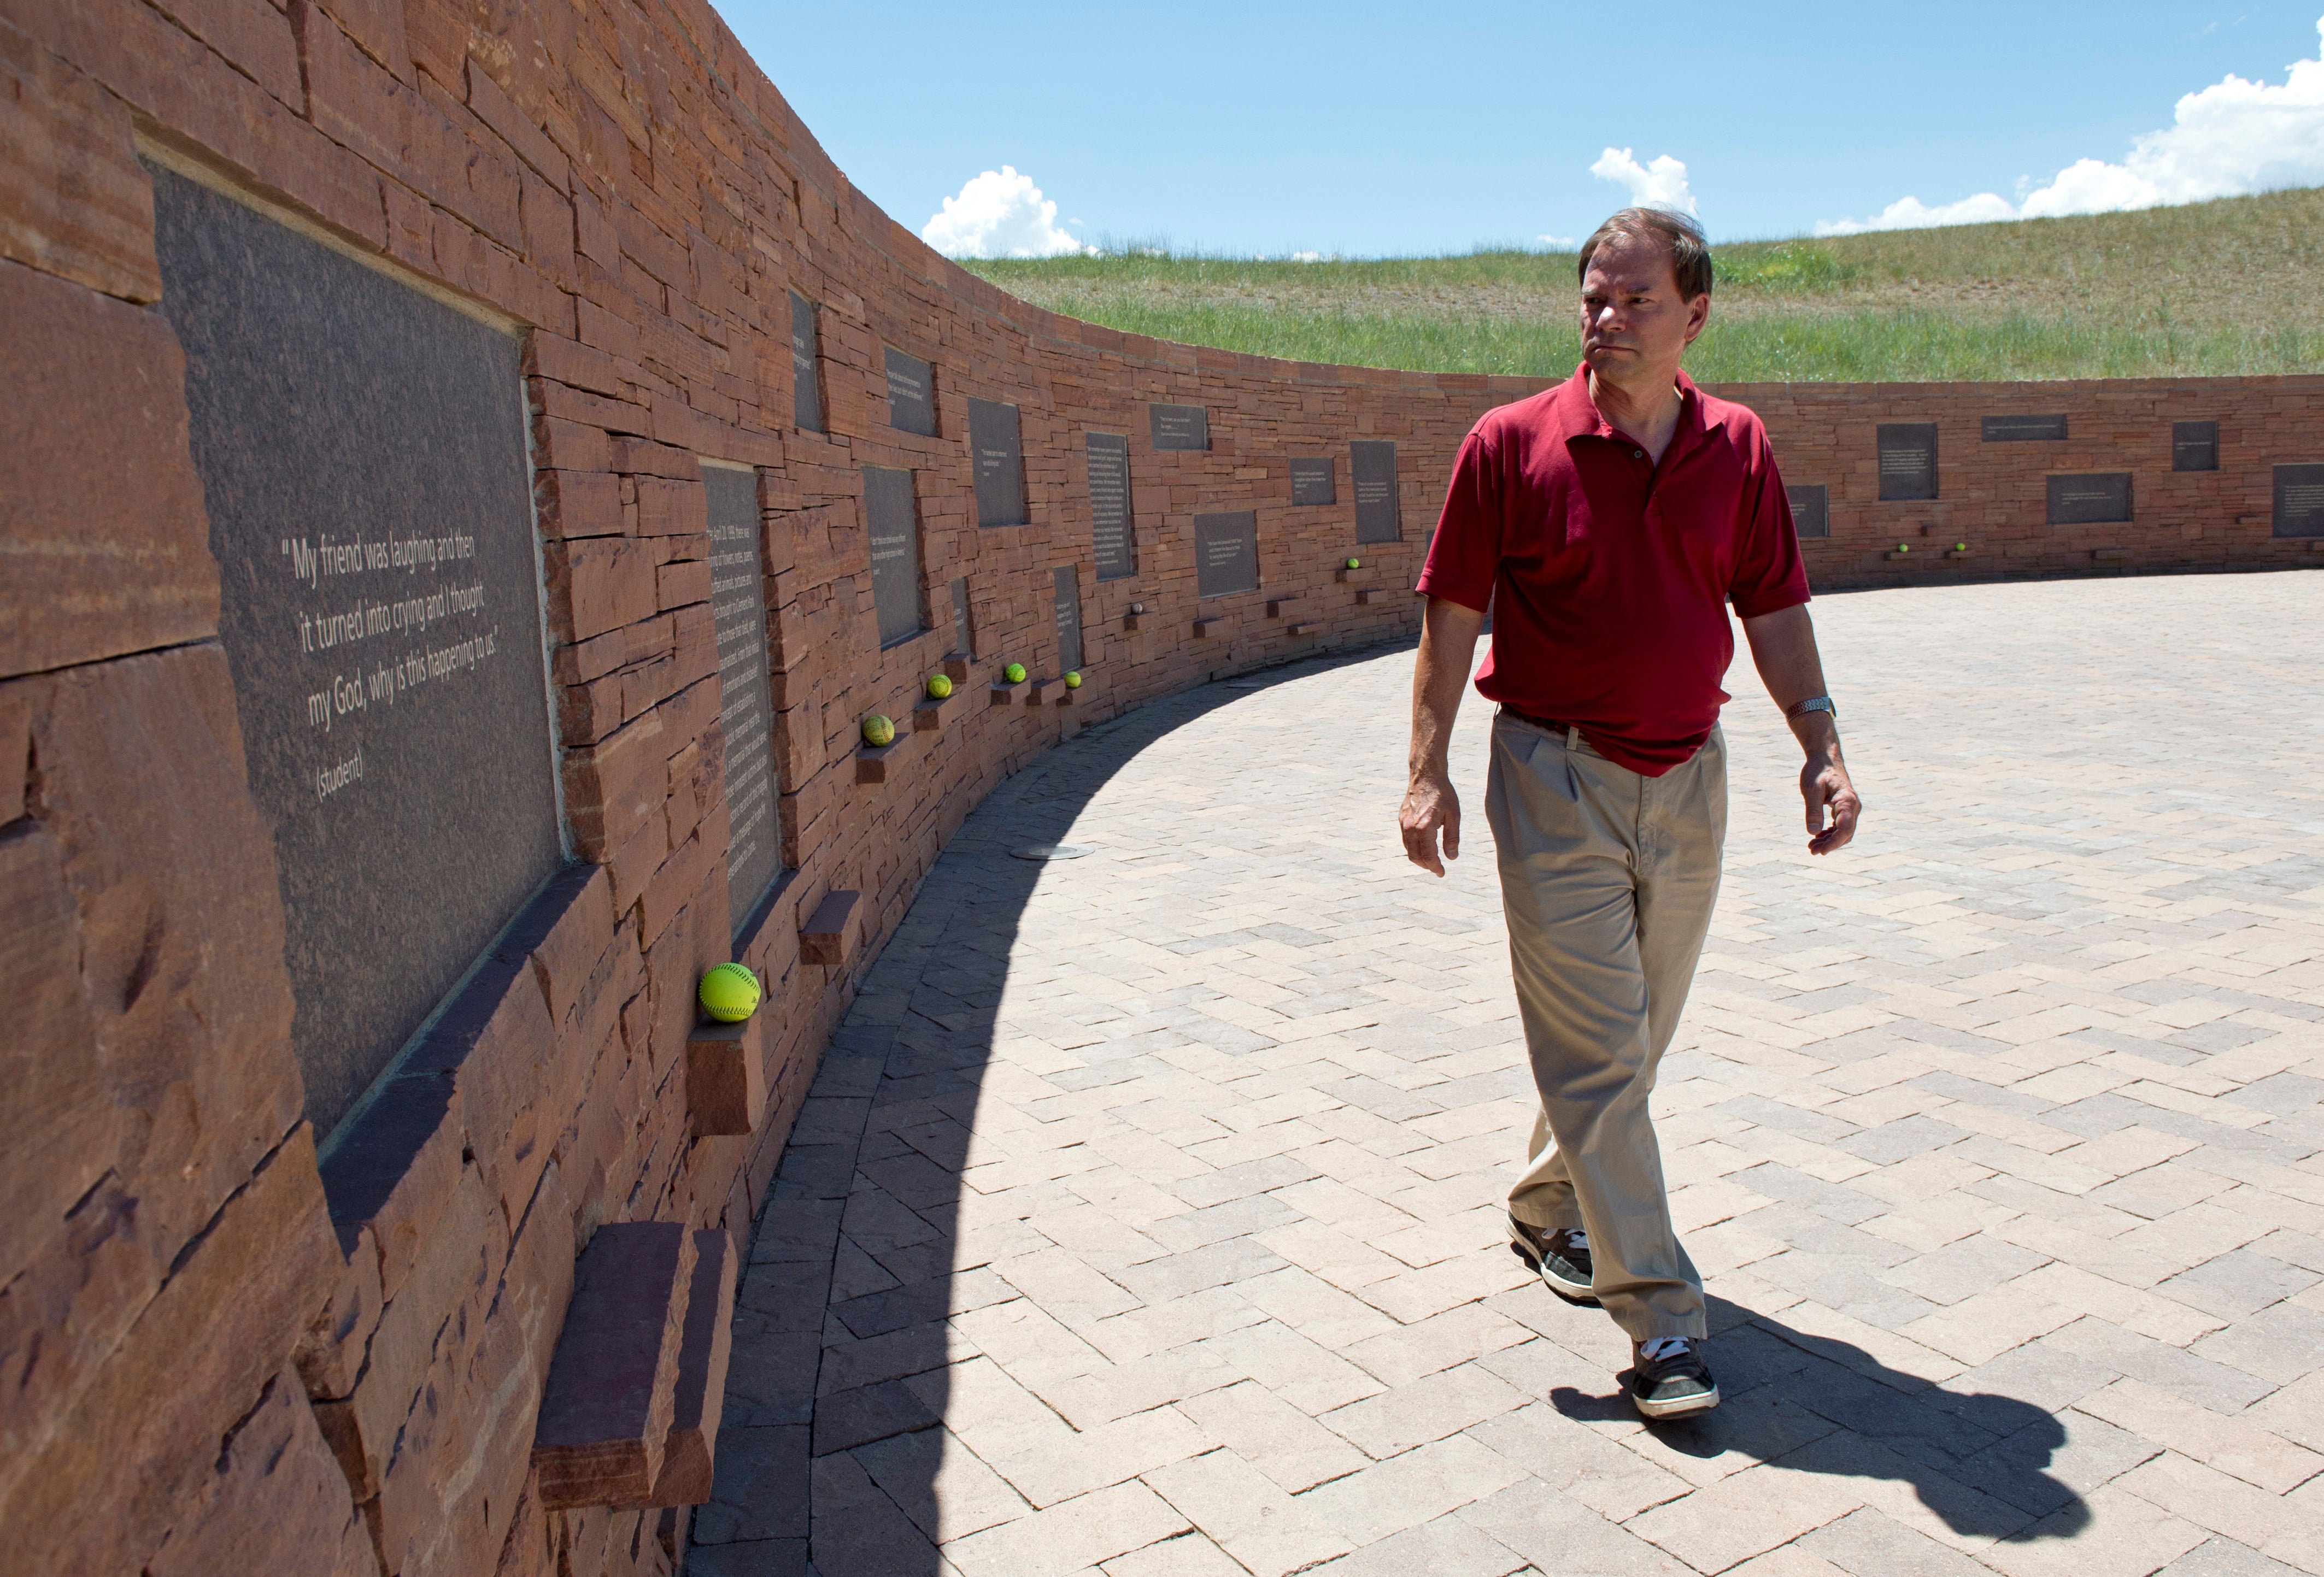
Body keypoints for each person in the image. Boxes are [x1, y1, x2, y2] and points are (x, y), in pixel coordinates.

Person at [1398, 207, 1862, 1420]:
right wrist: (1424, 766)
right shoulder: (1508, 444)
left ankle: (1551, 1203)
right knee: (1603, 1056)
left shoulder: (1738, 447)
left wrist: (1820, 746)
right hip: (1552, 780)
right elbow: (1449, 613)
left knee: (1633, 1039)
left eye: (1632, 300)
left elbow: (1772, 610)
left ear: (1693, 316)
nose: (1603, 318)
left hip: (1690, 777)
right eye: (1591, 298)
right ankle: (1661, 1322)